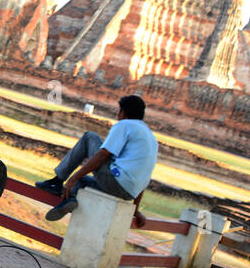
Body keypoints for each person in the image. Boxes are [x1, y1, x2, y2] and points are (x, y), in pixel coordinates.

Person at [35, 94, 158, 227]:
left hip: (114, 182)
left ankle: (57, 181)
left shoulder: (125, 125)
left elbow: (102, 155)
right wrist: (135, 209)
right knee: (83, 181)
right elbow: (144, 175)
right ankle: (70, 198)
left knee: (90, 137)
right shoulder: (151, 138)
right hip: (128, 193)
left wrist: (72, 179)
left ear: (123, 112)